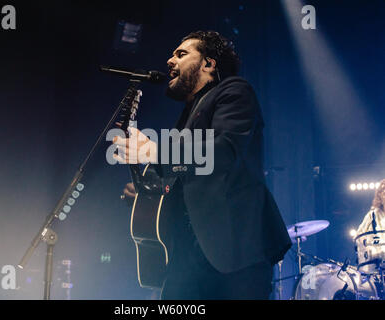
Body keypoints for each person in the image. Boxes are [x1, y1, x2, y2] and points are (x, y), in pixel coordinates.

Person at [113, 31, 291, 299]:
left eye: (181, 54)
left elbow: (225, 152)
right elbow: (188, 172)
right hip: (187, 256)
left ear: (208, 64)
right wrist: (147, 192)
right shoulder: (190, 111)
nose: (170, 60)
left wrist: (155, 150)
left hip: (234, 253)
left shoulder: (234, 91)